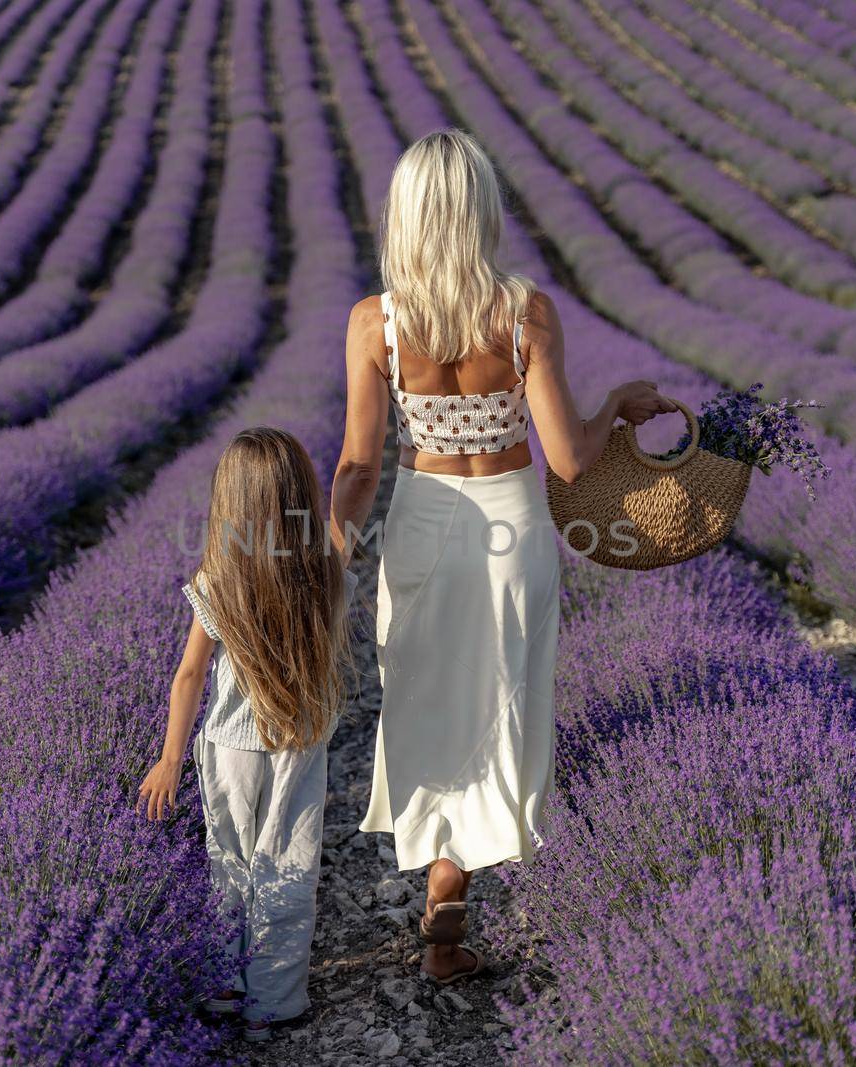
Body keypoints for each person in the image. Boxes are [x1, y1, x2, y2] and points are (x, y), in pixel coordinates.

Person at [327, 128, 673, 985]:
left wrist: (331, 556)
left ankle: (439, 873)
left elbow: (360, 465)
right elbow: (570, 459)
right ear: (480, 210)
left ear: (405, 215)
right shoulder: (525, 312)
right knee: (503, 703)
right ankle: (455, 892)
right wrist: (618, 406)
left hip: (422, 525)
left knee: (424, 699)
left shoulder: (375, 322)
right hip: (512, 525)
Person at [139, 426, 358, 1042]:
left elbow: (189, 676)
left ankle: (224, 983)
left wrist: (169, 760)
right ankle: (277, 1000)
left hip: (231, 743)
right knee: (288, 862)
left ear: (229, 503)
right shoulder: (323, 568)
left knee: (227, 862)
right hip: (300, 739)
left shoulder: (219, 579)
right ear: (299, 496)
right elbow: (348, 500)